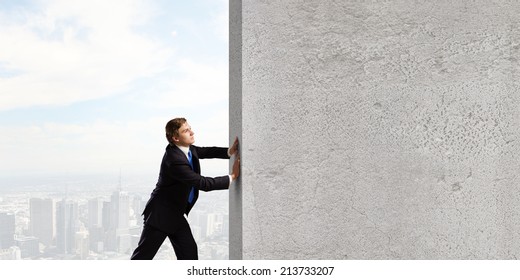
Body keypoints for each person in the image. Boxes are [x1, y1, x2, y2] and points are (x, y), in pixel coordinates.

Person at [131, 117, 240, 260]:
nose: (192, 132)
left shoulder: (187, 149)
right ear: (176, 138)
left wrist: (229, 151)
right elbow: (202, 183)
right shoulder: (174, 160)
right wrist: (232, 176)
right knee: (142, 258)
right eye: (186, 130)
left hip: (175, 215)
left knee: (189, 253)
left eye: (190, 128)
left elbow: (206, 151)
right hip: (160, 216)